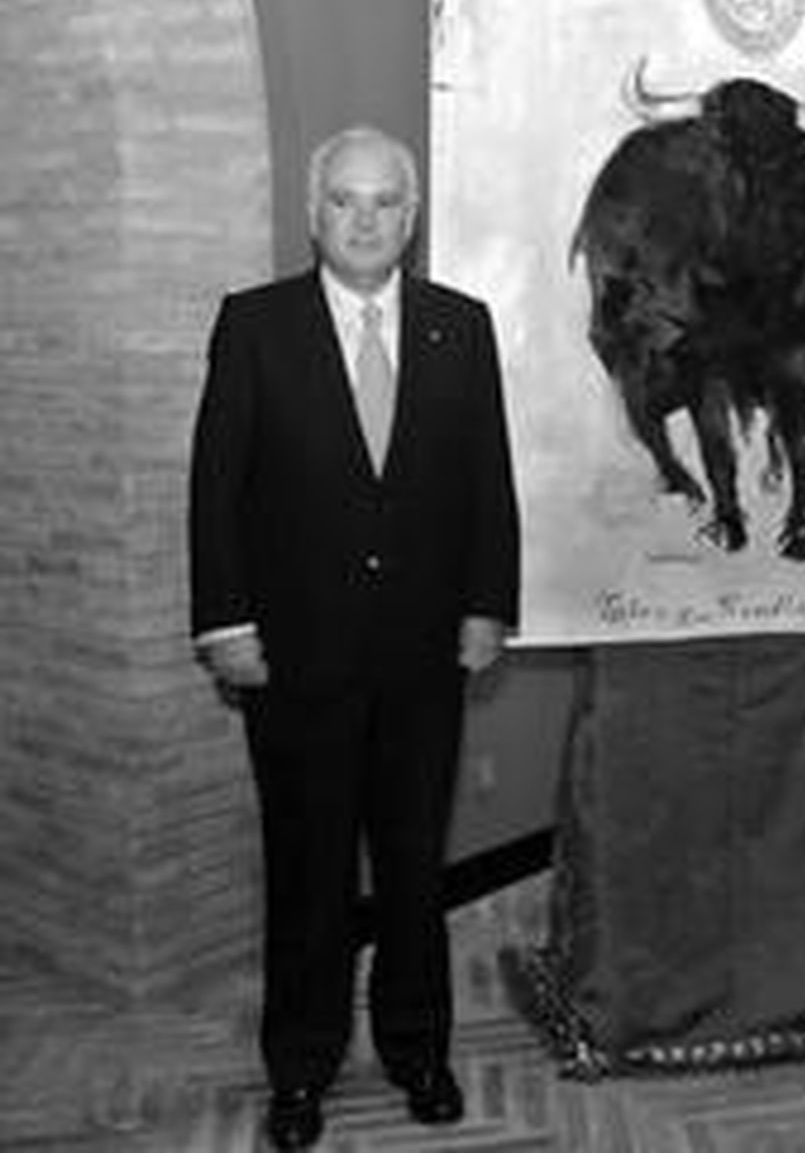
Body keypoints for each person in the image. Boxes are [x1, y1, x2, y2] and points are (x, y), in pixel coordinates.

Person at [188, 126, 520, 1151]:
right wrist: (225, 623)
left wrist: (485, 606)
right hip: (293, 661)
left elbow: (486, 485)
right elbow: (216, 489)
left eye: (385, 202)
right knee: (309, 869)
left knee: (415, 867)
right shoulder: (255, 325)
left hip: (424, 658)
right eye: (345, 200)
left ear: (411, 218)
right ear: (313, 212)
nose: (366, 219)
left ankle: (419, 1048)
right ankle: (301, 1065)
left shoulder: (459, 327)